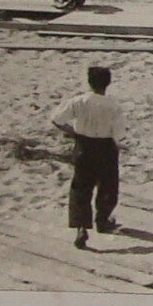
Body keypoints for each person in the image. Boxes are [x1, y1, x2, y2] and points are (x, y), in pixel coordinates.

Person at [50, 65, 124, 249]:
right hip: (105, 146)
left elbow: (56, 119)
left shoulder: (79, 101)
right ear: (108, 83)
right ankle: (103, 220)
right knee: (108, 186)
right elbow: (119, 134)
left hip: (84, 146)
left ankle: (81, 227)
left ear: (89, 82)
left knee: (81, 188)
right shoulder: (113, 106)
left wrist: (72, 132)